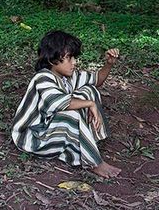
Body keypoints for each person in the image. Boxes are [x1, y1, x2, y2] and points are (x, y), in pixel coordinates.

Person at [11, 30, 122, 178]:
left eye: (74, 57)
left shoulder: (67, 76)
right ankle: (94, 162)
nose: (74, 62)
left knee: (89, 90)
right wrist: (90, 105)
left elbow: (97, 80)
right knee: (71, 115)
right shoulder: (43, 77)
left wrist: (108, 64)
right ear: (52, 60)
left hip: (49, 130)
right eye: (69, 58)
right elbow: (56, 103)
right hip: (34, 137)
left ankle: (89, 139)